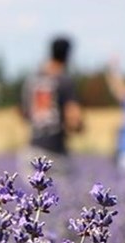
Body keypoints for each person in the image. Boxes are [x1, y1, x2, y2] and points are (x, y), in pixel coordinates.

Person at [18, 36, 85, 176]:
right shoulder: (65, 81)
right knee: (62, 195)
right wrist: (80, 127)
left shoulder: (31, 80)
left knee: (32, 196)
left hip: (32, 151)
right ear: (68, 55)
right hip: (55, 154)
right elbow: (74, 119)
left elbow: (24, 114)